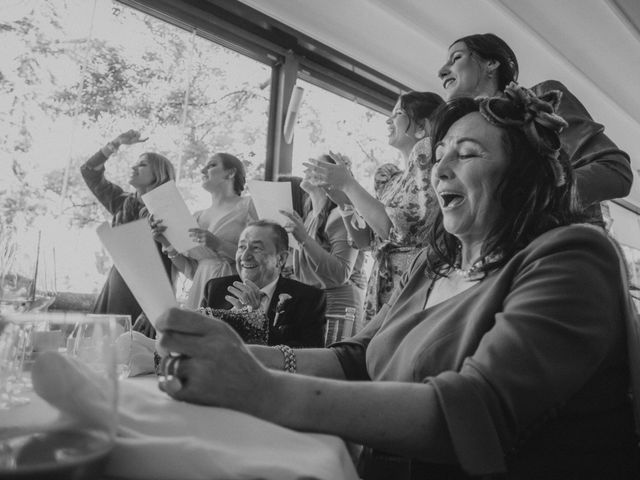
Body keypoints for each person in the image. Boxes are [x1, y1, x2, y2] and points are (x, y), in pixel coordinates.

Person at [154, 85, 640, 479]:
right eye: (438, 155)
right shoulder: (434, 265)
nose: (439, 169)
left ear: (523, 178)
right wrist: (239, 353)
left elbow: (475, 414)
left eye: (466, 154)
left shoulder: (574, 256)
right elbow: (356, 357)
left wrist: (261, 389)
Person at [437, 32, 632, 221]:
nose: (441, 71)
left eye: (456, 58)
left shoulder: (542, 101)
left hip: (559, 246)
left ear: (491, 63)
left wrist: (534, 201)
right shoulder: (454, 136)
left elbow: (614, 169)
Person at [304, 92, 444, 324]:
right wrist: (343, 199)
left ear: (423, 126)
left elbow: (398, 231)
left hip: (413, 282)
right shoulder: (390, 179)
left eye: (398, 114)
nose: (389, 121)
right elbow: (366, 240)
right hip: (379, 281)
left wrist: (349, 183)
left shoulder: (429, 160)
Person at [81, 129, 175, 322]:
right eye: (135, 164)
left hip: (148, 293)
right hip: (117, 281)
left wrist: (158, 309)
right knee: (103, 343)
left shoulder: (168, 212)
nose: (133, 168)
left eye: (142, 165)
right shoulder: (122, 201)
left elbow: (171, 265)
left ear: (158, 174)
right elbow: (89, 171)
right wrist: (116, 142)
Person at [150, 153, 257, 310]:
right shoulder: (197, 217)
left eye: (212, 165)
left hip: (232, 290)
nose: (202, 170)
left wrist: (219, 244)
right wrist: (166, 242)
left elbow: (259, 257)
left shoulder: (248, 206)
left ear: (230, 173)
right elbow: (192, 271)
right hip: (201, 287)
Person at [201, 220, 326, 348]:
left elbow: (308, 356)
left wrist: (254, 320)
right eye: (241, 247)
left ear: (281, 259)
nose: (244, 256)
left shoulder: (309, 299)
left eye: (256, 248)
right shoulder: (215, 289)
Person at [280, 155, 366, 327]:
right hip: (312, 303)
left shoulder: (340, 217)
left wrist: (304, 239)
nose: (306, 170)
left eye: (317, 166)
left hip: (336, 308)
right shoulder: (310, 216)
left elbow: (341, 273)